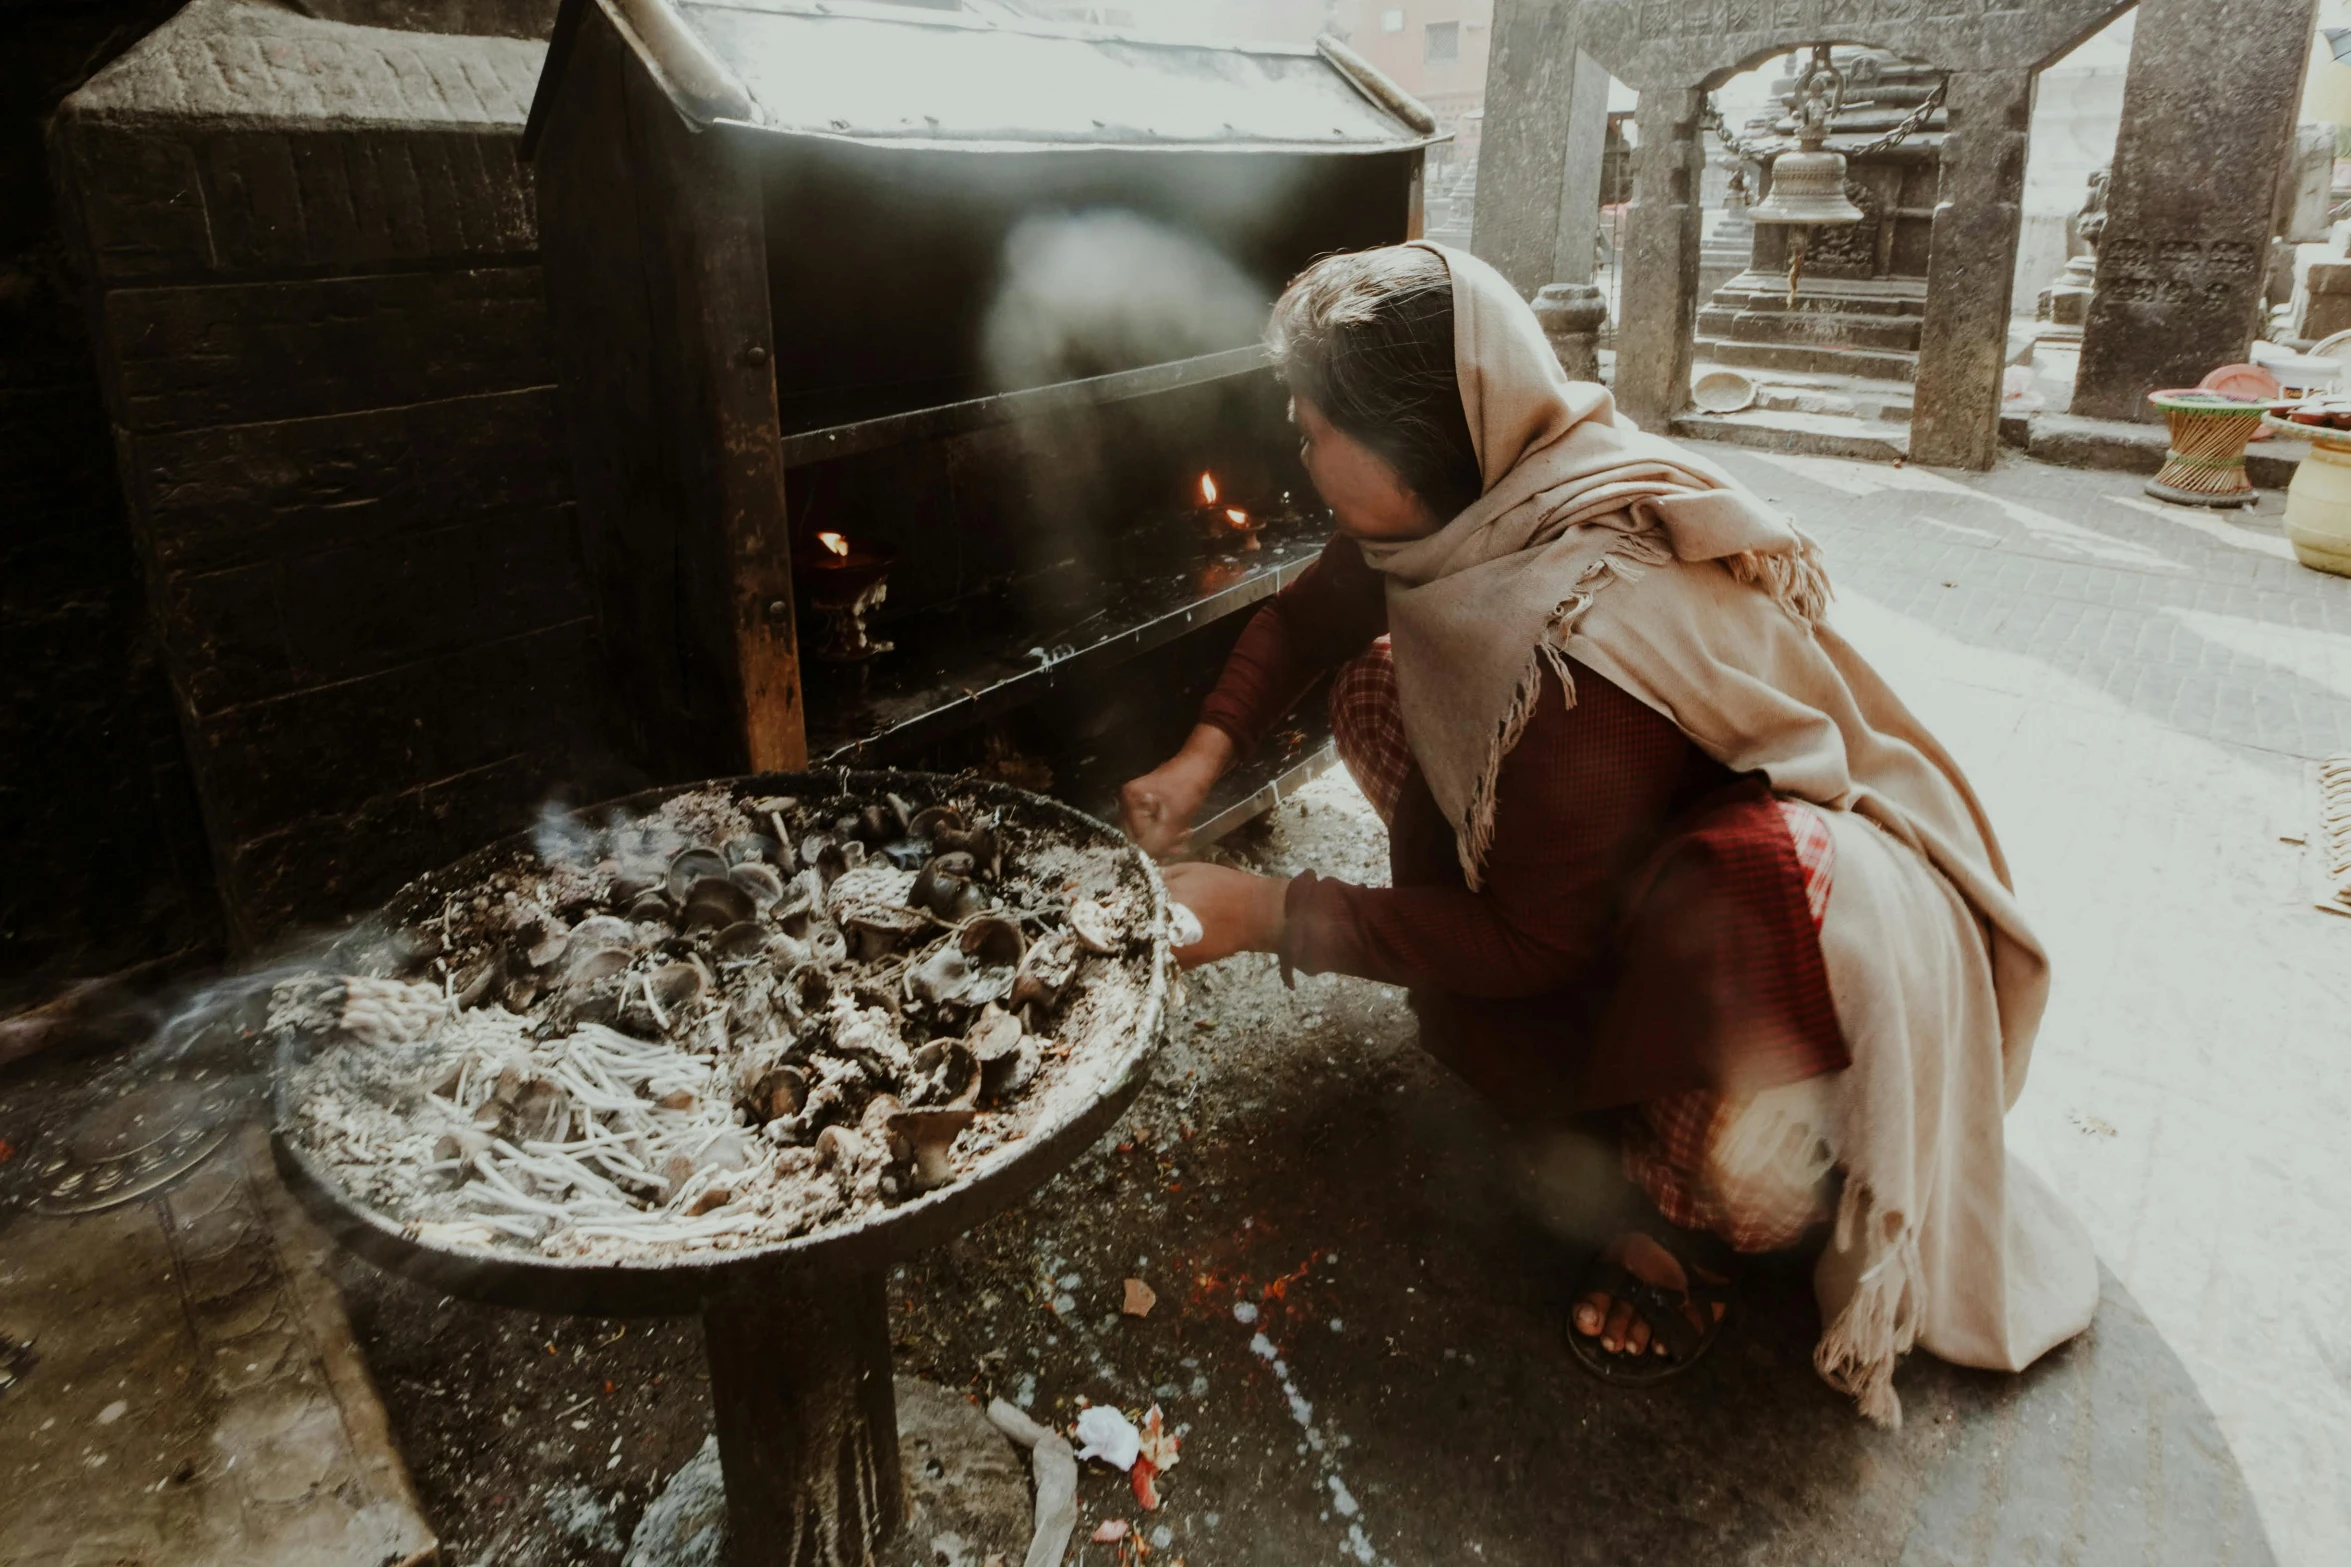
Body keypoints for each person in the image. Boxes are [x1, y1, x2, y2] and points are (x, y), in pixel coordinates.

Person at [1121, 243, 2097, 1423]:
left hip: (1775, 915)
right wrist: (1200, 756)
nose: (1299, 446)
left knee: (1714, 913)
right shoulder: (1478, 494)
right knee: (1379, 692)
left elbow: (1535, 940)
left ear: (1418, 450)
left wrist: (1274, 910)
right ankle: (1581, 1060)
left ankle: (1689, 1225)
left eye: (1318, 428)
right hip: (1603, 854)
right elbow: (1315, 615)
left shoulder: (1571, 645)